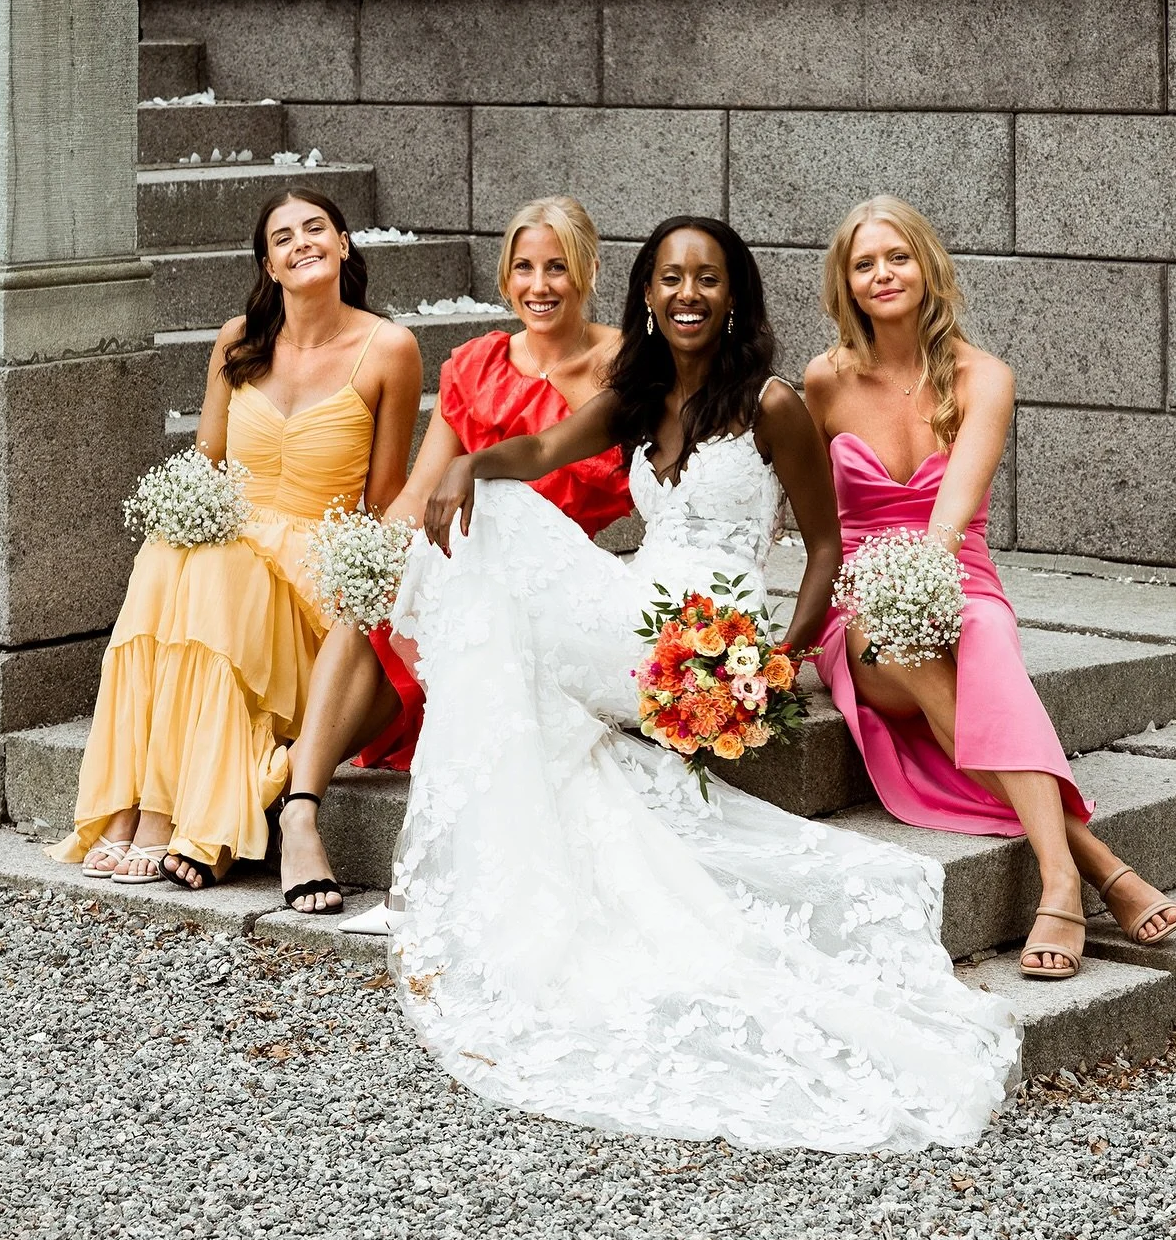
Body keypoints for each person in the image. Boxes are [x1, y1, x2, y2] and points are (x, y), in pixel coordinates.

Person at [380, 215, 1019, 1153]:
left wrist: (780, 657)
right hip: (638, 609)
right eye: (672, 278)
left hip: (713, 635)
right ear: (646, 294)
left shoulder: (770, 404)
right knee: (499, 508)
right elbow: (541, 455)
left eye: (708, 279)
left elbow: (825, 545)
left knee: (514, 619)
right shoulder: (636, 397)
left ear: (733, 298)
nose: (688, 294)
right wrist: (471, 461)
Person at [805, 196, 1176, 981]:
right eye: (864, 263)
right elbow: (814, 521)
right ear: (846, 283)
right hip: (862, 610)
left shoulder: (985, 377)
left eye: (898, 257)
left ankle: (1067, 880)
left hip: (956, 574)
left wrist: (921, 591)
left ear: (927, 266)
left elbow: (948, 526)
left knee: (982, 637)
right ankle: (1086, 867)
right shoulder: (824, 381)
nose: (883, 274)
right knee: (896, 632)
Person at [50, 190, 421, 893]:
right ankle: (128, 806)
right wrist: (186, 520)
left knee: (220, 568)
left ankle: (162, 816)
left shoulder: (389, 348)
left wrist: (371, 581)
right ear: (269, 265)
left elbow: (384, 496)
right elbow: (208, 464)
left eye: (316, 228)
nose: (302, 242)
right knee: (168, 554)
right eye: (283, 237)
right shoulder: (237, 339)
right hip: (229, 555)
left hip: (314, 570)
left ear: (344, 244)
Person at [277, 197, 632, 915]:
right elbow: (416, 495)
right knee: (376, 602)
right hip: (462, 571)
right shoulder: (476, 365)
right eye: (524, 268)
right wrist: (373, 563)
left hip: (556, 589)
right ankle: (300, 814)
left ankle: (283, 778)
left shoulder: (625, 367)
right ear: (505, 277)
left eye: (557, 267)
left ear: (589, 270)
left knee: (435, 634)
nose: (539, 285)